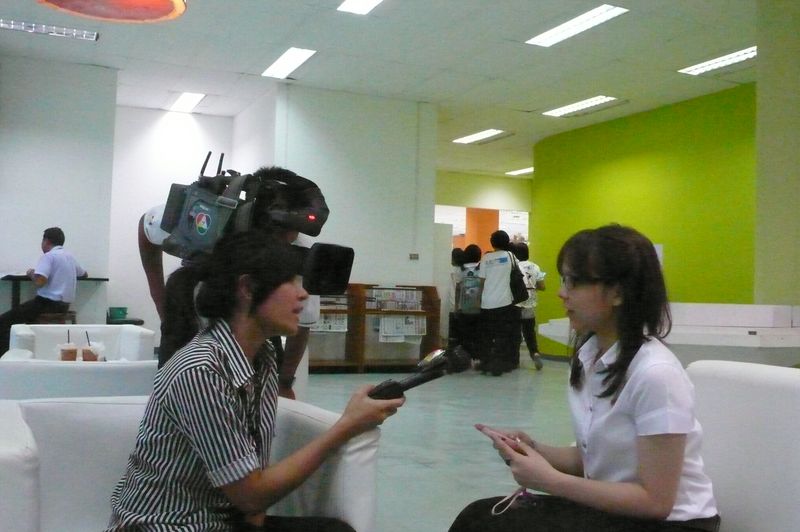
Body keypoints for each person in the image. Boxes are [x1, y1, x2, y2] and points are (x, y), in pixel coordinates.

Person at [108, 230, 404, 531]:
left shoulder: (262, 357)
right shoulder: (200, 370)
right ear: (248, 288)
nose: (302, 294)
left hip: (221, 520)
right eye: (290, 281)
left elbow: (252, 494)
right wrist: (347, 426)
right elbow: (251, 496)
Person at [449, 224, 720, 532]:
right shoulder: (589, 358)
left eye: (574, 282)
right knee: (479, 517)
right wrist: (532, 448)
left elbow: (656, 502)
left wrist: (551, 481)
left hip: (674, 524)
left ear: (618, 292)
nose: (562, 293)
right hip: (617, 513)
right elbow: (591, 461)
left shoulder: (656, 374)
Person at [139, 165, 328, 398]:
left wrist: (285, 381)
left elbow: (302, 322)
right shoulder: (211, 216)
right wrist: (159, 299)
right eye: (285, 231)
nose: (289, 237)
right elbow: (147, 225)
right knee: (183, 390)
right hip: (187, 313)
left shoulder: (294, 254)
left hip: (251, 329)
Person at [0, 227, 87, 354]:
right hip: (64, 306)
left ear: (46, 241)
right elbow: (84, 274)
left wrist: (31, 273)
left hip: (46, 304)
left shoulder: (49, 256)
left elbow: (40, 281)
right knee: (26, 320)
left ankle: (6, 357)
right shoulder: (70, 257)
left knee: (4, 321)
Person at [477, 230, 521, 376]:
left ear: (492, 243)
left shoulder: (486, 258)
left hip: (486, 302)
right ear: (507, 242)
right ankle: (499, 364)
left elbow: (481, 282)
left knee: (486, 335)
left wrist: (478, 299)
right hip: (504, 302)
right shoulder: (510, 256)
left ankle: (485, 363)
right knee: (503, 335)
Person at [511, 242, 545, 371]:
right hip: (530, 302)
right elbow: (542, 286)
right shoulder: (535, 266)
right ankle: (534, 353)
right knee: (529, 331)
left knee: (515, 332)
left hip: (516, 302)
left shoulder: (514, 266)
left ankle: (515, 360)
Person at [454, 244, 482, 362]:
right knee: (478, 333)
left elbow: (458, 289)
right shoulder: (481, 268)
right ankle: (478, 357)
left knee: (465, 334)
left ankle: (465, 358)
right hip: (479, 307)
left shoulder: (461, 269)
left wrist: (456, 306)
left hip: (464, 307)